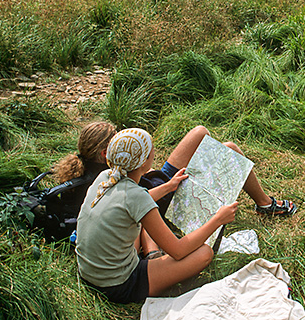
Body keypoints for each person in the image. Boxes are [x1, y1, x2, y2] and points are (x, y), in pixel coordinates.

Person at [76, 128, 235, 303]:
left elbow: (134, 202)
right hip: (119, 285)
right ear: (144, 162)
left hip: (89, 272)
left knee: (140, 218)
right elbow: (178, 251)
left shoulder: (105, 177)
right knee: (204, 253)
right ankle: (158, 271)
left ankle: (153, 255)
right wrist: (218, 219)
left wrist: (168, 186)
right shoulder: (137, 197)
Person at [54, 122, 297, 219]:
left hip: (158, 179)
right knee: (231, 150)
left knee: (200, 131)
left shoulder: (112, 165)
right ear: (105, 153)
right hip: (166, 196)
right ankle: (265, 204)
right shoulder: (107, 180)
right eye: (118, 138)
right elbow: (138, 203)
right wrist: (172, 185)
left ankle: (260, 200)